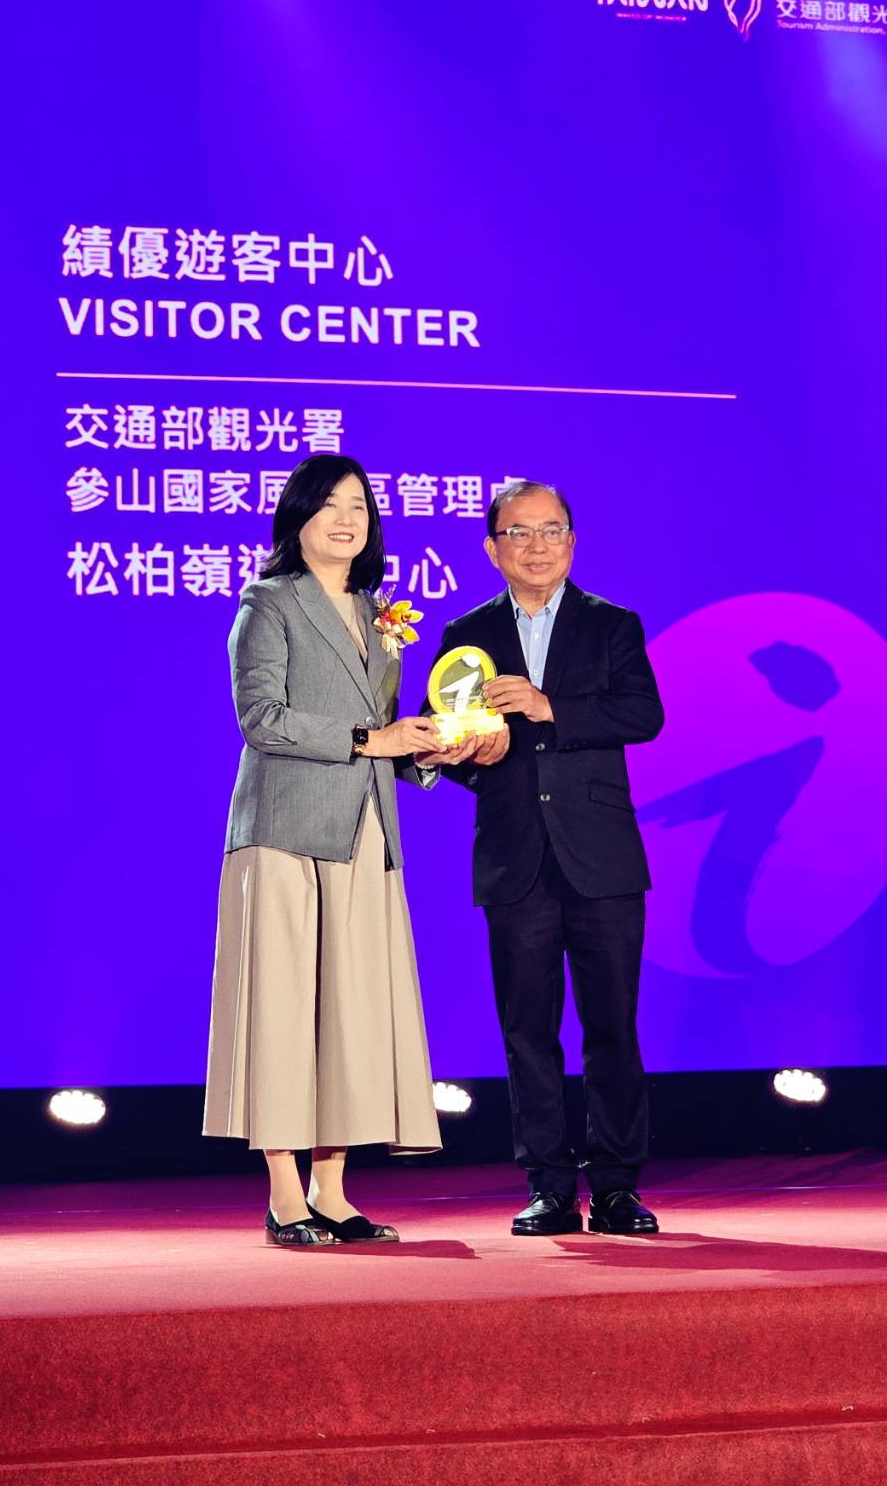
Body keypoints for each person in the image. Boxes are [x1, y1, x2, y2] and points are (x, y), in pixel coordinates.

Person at [203, 455, 445, 1247]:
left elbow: (386, 731)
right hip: (283, 829)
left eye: (360, 507)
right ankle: (284, 1195)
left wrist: (427, 749)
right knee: (283, 1009)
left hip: (364, 829)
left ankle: (331, 1191)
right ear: (297, 516)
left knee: (350, 1009)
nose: (348, 519)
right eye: (331, 504)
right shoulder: (268, 601)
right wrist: (375, 738)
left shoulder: (381, 614)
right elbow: (261, 718)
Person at [417, 479, 664, 1237]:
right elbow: (442, 738)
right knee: (528, 1028)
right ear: (492, 549)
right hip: (514, 854)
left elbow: (643, 713)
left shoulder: (612, 624)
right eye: (518, 533)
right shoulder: (467, 634)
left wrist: (547, 706)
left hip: (602, 856)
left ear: (572, 542)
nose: (537, 545)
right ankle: (549, 1185)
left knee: (612, 1024)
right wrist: (469, 755)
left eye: (551, 530)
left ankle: (616, 1186)